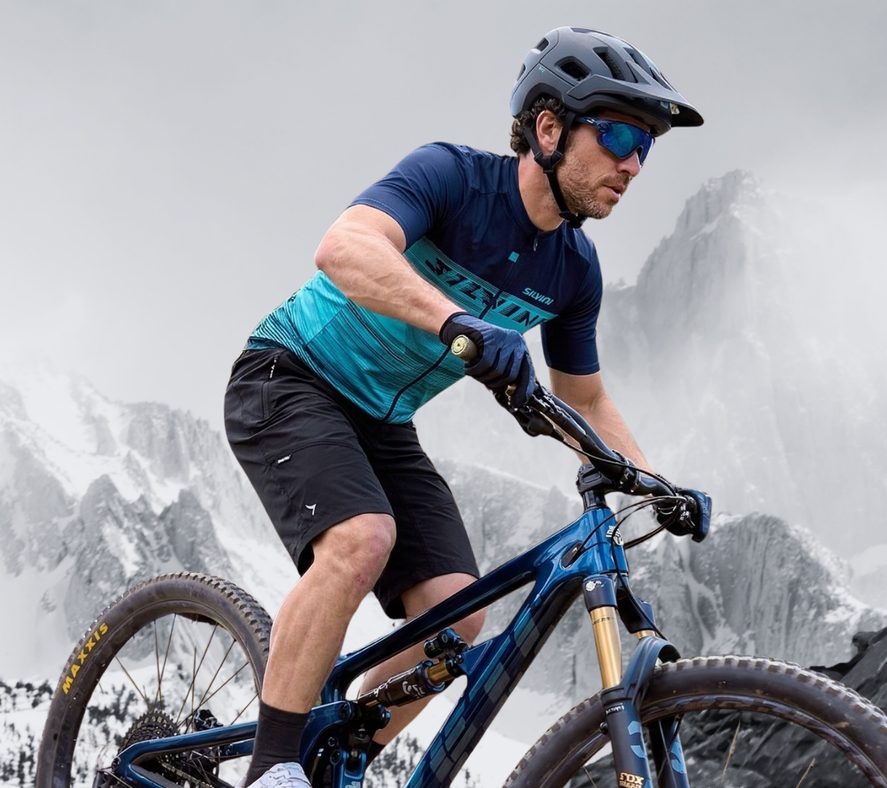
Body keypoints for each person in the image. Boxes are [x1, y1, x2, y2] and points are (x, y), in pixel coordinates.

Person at [224, 26, 710, 788]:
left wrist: (653, 483)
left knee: (458, 613)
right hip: (289, 376)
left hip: (382, 421)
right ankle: (272, 767)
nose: (633, 163)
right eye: (618, 135)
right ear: (548, 129)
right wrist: (456, 320)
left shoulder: (573, 271)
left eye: (646, 146)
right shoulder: (451, 177)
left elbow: (583, 397)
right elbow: (344, 246)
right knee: (362, 539)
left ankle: (333, 765)